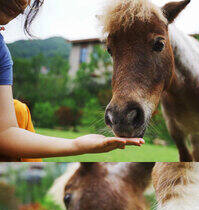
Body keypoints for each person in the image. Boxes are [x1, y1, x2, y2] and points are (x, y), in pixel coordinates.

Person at [0, 0, 144, 161]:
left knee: (18, 112)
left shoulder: (2, 54)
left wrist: (78, 145)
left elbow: (4, 132)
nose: (24, 2)